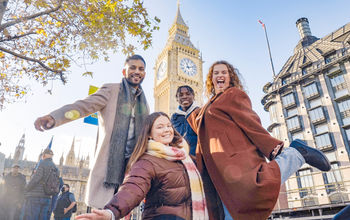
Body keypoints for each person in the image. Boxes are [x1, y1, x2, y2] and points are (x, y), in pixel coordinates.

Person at [187, 60, 332, 220]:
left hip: (232, 159)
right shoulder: (208, 105)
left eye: (224, 72)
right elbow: (197, 123)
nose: (220, 75)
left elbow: (250, 121)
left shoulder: (233, 94)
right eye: (216, 73)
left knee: (255, 188)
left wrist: (272, 146)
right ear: (211, 79)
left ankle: (296, 154)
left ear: (230, 78)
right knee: (230, 209)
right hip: (213, 168)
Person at [34, 55, 149, 208]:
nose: (137, 71)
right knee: (103, 211)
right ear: (124, 71)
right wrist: (55, 117)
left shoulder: (145, 104)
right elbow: (83, 106)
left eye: (141, 69)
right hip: (110, 167)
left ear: (145, 74)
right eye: (132, 68)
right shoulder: (111, 90)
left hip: (132, 168)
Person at [75, 112, 208, 220]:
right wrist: (112, 212)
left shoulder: (185, 157)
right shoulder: (147, 161)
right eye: (160, 127)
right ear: (149, 134)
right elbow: (133, 188)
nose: (167, 130)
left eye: (168, 125)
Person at [22, 148, 59, 220]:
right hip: (47, 197)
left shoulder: (42, 163)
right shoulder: (56, 168)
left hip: (36, 196)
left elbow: (35, 179)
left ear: (44, 155)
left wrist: (26, 188)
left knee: (32, 217)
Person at [171, 85, 199, 157]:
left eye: (188, 94)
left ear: (193, 96)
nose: (184, 97)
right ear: (177, 99)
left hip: (198, 158)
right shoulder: (174, 118)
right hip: (180, 159)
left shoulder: (199, 113)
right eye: (181, 95)